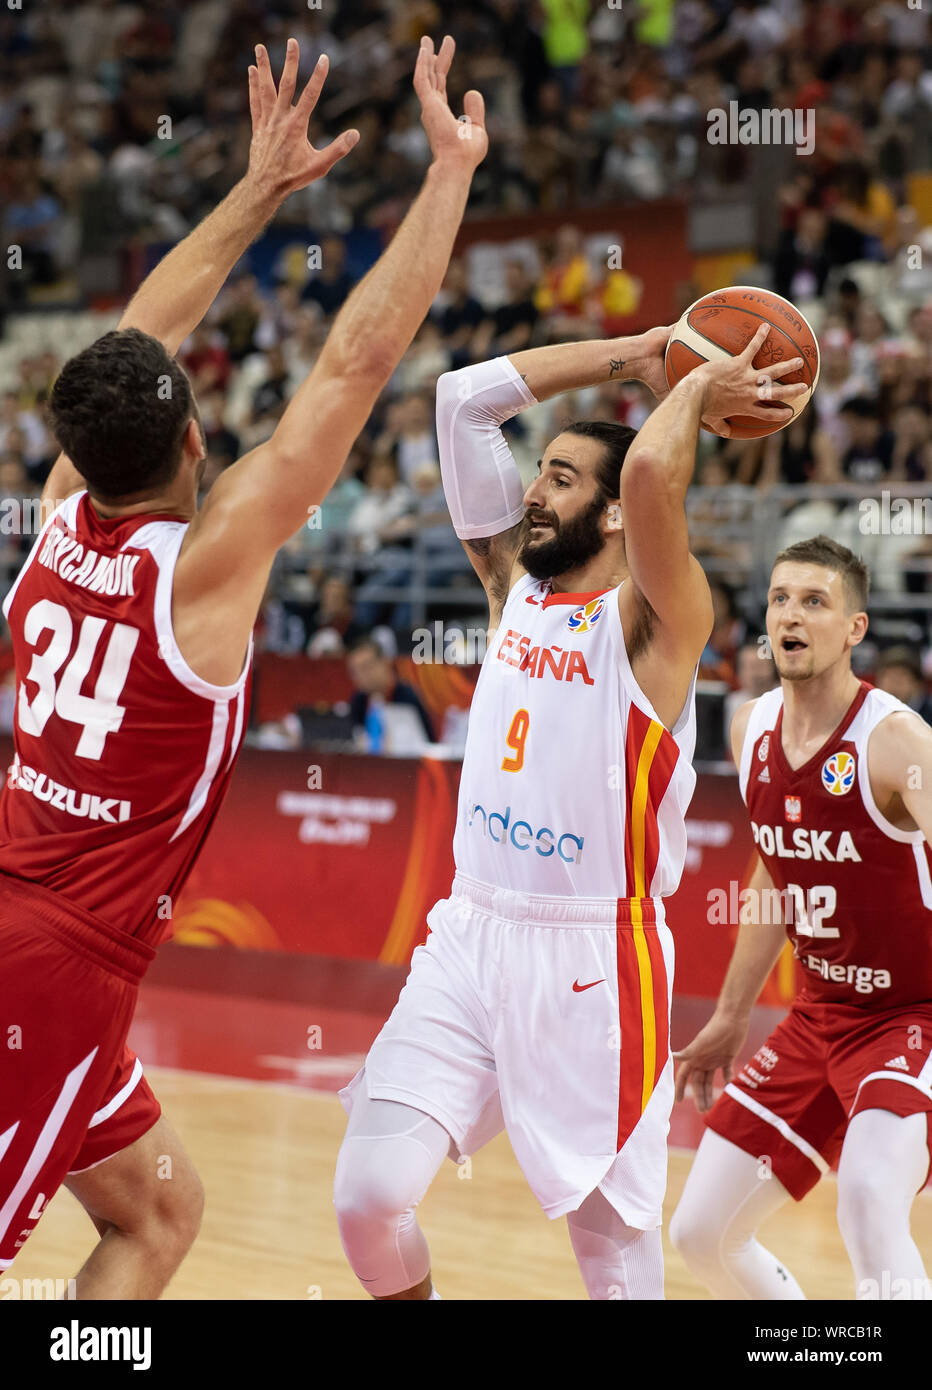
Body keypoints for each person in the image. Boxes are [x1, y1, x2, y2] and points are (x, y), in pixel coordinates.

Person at [0, 33, 488, 1295]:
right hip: (50, 972)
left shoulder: (59, 515)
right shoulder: (203, 572)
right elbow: (355, 363)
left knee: (159, 1217)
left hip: (38, 938)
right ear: (198, 437)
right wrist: (448, 172)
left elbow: (135, 334)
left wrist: (258, 188)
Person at [333, 323, 807, 1299]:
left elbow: (648, 489)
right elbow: (461, 398)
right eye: (536, 470)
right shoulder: (511, 586)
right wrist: (638, 351)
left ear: (609, 512)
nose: (534, 490)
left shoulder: (656, 622)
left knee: (610, 1251)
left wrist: (690, 386)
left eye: (558, 477)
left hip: (598, 958)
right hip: (469, 932)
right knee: (368, 1195)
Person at [670, 536, 932, 1300]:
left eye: (815, 601)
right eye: (781, 598)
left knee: (871, 1203)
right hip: (818, 1020)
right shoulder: (748, 726)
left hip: (913, 1017)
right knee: (701, 1234)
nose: (792, 614)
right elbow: (773, 876)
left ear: (854, 628)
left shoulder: (897, 743)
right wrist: (729, 1015)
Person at [346, 636, 435, 747]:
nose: (362, 676)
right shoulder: (359, 701)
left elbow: (428, 742)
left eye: (367, 667)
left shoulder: (407, 698)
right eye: (355, 671)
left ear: (384, 662)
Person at [873, 645, 932, 725]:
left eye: (900, 679)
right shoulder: (869, 711)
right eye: (889, 677)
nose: (894, 685)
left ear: (917, 683)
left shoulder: (928, 712)